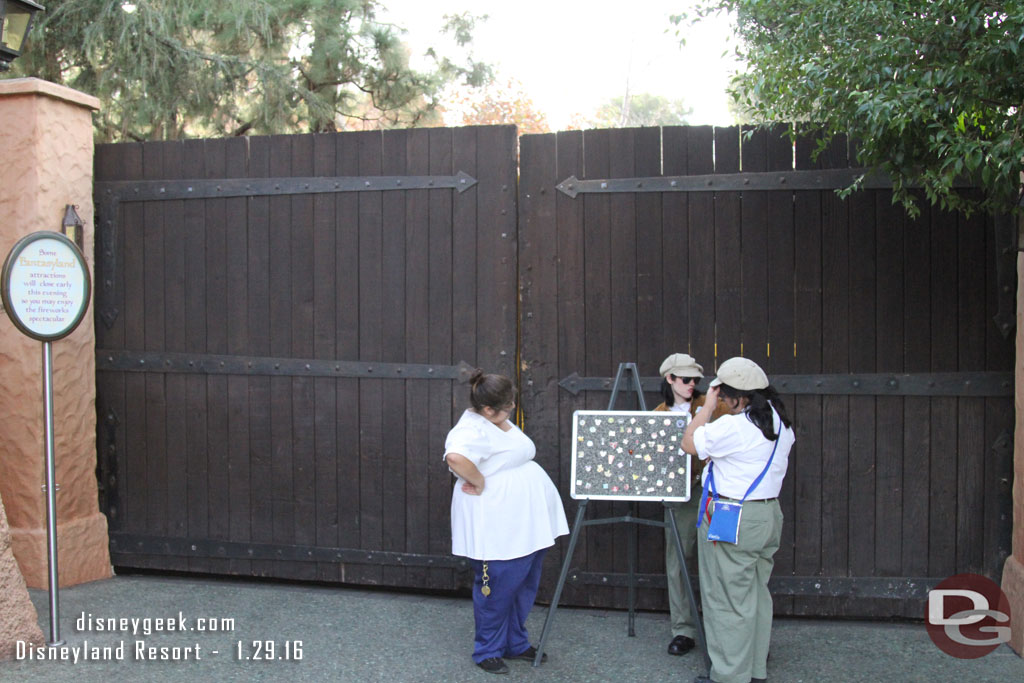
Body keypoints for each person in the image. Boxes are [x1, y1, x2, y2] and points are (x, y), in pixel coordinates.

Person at [443, 370, 569, 675]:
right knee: (496, 586)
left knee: (523, 583)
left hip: (525, 526)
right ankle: (487, 649)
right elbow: (455, 458)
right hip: (498, 527)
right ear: (487, 409)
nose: (512, 408)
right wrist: (479, 481)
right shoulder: (470, 429)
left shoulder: (494, 420)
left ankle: (514, 641)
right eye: (507, 406)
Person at [682, 357, 795, 683]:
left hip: (734, 516)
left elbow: (689, 442)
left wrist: (706, 406)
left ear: (734, 394)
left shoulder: (733, 426)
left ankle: (730, 676)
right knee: (756, 596)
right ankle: (754, 669)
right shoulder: (779, 421)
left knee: (726, 600)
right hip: (767, 514)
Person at [655, 353, 727, 657]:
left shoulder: (716, 406)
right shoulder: (659, 412)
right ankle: (682, 629)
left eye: (695, 380)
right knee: (678, 559)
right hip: (680, 493)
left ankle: (721, 631)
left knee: (720, 558)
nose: (692, 384)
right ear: (670, 379)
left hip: (716, 490)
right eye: (685, 379)